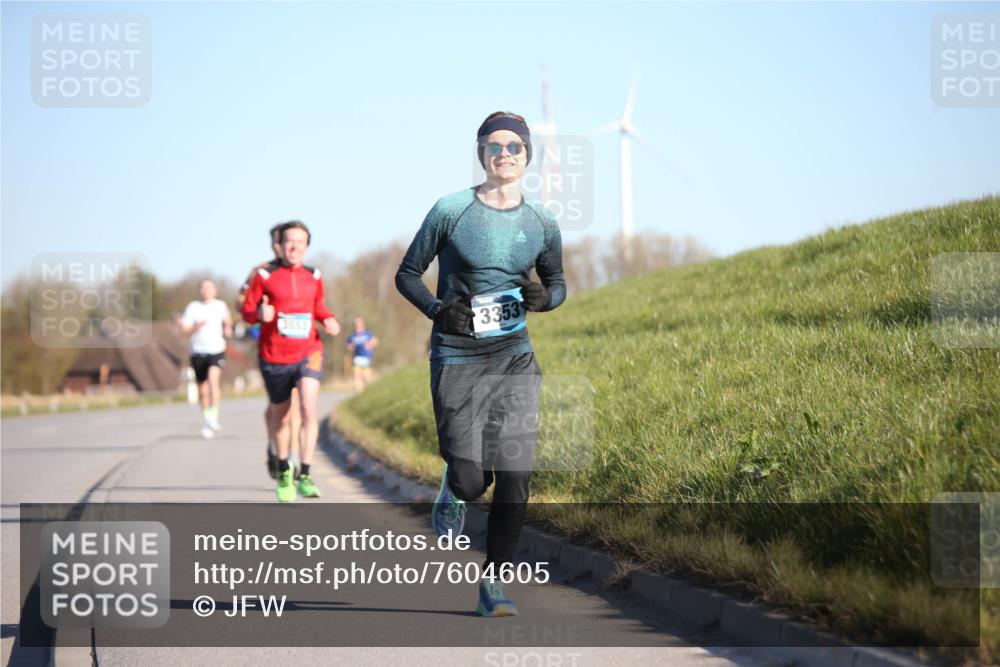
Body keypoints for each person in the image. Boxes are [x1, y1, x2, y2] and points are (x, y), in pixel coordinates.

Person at [395, 111, 566, 616]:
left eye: (515, 146)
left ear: (527, 154)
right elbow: (407, 275)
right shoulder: (450, 210)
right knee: (473, 480)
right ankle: (454, 485)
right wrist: (438, 309)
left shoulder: (542, 220)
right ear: (481, 153)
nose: (505, 153)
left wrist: (544, 297)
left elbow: (558, 283)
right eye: (494, 146)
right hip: (456, 358)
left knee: (516, 470)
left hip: (514, 357)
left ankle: (495, 583)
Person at [242, 221, 340, 502]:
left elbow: (318, 305)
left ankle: (305, 474)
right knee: (281, 415)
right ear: (280, 245)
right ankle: (284, 468)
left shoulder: (315, 275)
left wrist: (328, 319)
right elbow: (247, 310)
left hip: (309, 350)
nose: (295, 246)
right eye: (289, 241)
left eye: (300, 241)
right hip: (274, 355)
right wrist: (260, 313)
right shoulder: (264, 275)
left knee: (309, 408)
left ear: (307, 246)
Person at [238, 223, 302, 479]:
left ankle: (293, 457)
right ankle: (274, 446)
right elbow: (241, 303)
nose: (281, 246)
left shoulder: (300, 269)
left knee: (296, 404)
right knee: (278, 407)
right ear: (273, 245)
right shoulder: (261, 271)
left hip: (298, 345)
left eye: (283, 241)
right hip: (271, 346)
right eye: (277, 242)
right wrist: (259, 313)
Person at [179, 279, 233, 439]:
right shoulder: (192, 307)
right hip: (198, 351)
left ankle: (214, 416)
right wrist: (195, 327)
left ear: (215, 291)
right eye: (204, 288)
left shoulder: (220, 305)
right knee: (203, 389)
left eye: (210, 288)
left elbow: (227, 319)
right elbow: (184, 329)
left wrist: (228, 328)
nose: (207, 291)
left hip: (216, 349)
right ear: (199, 290)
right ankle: (207, 418)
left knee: (213, 380)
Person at [346, 317, 379, 392]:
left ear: (362, 324)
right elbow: (349, 347)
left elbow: (376, 341)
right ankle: (359, 393)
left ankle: (370, 391)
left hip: (367, 358)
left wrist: (370, 345)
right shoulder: (352, 336)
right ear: (354, 325)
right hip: (357, 358)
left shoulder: (368, 333)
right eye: (356, 324)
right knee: (356, 376)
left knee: (366, 377)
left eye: (359, 323)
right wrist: (351, 346)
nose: (358, 325)